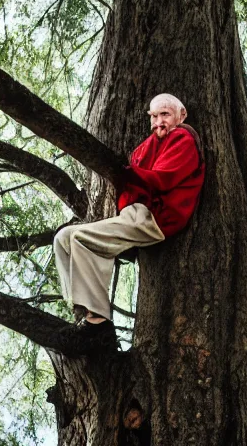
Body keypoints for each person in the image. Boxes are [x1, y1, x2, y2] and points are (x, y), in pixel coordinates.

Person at [53, 94, 205, 331]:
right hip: (134, 214)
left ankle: (98, 319)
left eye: (165, 114)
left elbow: (161, 179)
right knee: (62, 238)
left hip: (156, 217)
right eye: (154, 116)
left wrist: (128, 176)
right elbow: (132, 174)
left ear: (181, 115)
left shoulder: (183, 137)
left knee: (80, 239)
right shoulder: (148, 144)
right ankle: (80, 306)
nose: (158, 122)